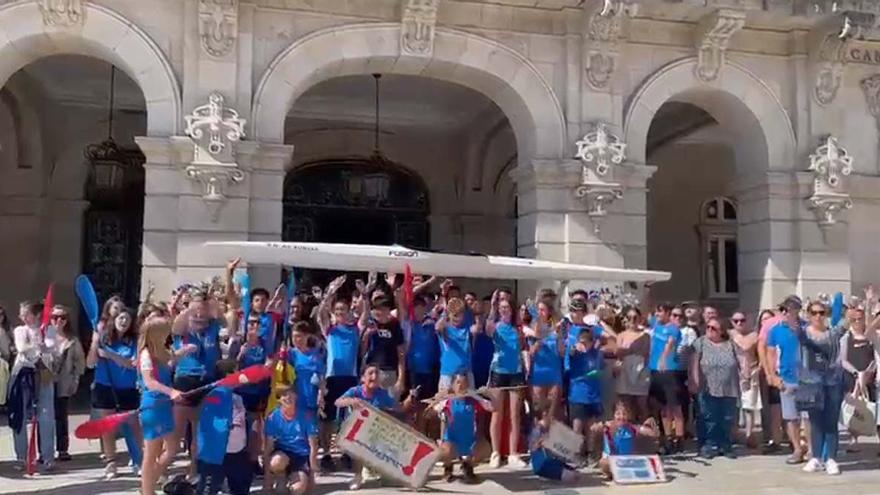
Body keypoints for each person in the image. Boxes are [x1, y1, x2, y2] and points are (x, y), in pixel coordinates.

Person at [335, 364, 416, 489]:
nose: (374, 376)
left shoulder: (382, 393)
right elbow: (338, 402)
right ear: (363, 378)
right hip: (354, 433)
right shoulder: (355, 391)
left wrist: (409, 400)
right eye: (371, 373)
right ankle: (358, 475)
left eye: (377, 373)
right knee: (358, 443)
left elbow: (399, 408)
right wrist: (352, 401)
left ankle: (381, 471)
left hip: (374, 431)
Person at [171, 291, 223, 480]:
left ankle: (194, 472)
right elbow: (177, 323)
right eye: (195, 310)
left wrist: (210, 301)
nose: (199, 314)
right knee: (174, 438)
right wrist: (190, 306)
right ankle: (157, 472)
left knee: (199, 435)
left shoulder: (213, 328)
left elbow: (224, 315)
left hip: (207, 382)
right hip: (185, 382)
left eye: (202, 310)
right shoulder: (182, 329)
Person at [87, 307, 143, 478]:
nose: (124, 321)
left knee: (134, 426)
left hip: (128, 388)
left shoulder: (135, 341)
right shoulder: (104, 339)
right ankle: (111, 462)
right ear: (114, 320)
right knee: (108, 426)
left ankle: (139, 460)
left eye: (127, 318)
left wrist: (110, 355)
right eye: (120, 318)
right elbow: (90, 363)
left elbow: (131, 364)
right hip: (105, 387)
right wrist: (95, 342)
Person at [316, 275, 360, 472]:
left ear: (349, 311)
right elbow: (320, 315)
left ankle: (345, 453)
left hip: (350, 379)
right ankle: (326, 454)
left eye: (344, 309)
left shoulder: (355, 329)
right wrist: (331, 292)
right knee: (328, 419)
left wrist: (364, 296)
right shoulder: (330, 329)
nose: (341, 312)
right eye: (338, 310)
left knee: (349, 417)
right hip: (332, 378)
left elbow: (365, 314)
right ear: (334, 312)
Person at [8, 301, 57, 472]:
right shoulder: (20, 330)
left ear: (36, 314)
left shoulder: (48, 329)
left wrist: (43, 343)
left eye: (25, 313)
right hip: (22, 375)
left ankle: (47, 456)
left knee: (46, 416)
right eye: (21, 313)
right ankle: (22, 456)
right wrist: (38, 346)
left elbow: (51, 347)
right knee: (20, 415)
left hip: (43, 375)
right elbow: (22, 347)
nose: (22, 317)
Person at [799, 301, 845, 475]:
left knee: (831, 421)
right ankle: (816, 457)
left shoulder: (833, 333)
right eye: (814, 312)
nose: (818, 316)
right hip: (811, 382)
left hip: (832, 382)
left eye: (821, 312)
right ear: (809, 314)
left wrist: (868, 303)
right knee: (815, 421)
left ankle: (831, 459)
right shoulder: (803, 334)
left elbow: (849, 321)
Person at [138, 317, 182, 495]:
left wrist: (182, 354)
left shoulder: (163, 351)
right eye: (165, 330)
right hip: (153, 406)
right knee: (151, 452)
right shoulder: (146, 354)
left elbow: (168, 365)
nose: (168, 333)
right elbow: (149, 381)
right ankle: (147, 490)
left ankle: (148, 483)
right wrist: (171, 392)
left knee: (173, 447)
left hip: (165, 406)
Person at [483, 291, 526, 468]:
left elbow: (532, 337)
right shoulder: (495, 325)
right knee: (497, 413)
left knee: (515, 414)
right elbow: (487, 328)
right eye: (501, 308)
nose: (504, 310)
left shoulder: (518, 328)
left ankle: (513, 454)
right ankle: (495, 453)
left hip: (515, 372)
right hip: (498, 372)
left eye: (507, 307)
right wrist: (493, 306)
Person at [766, 295, 809, 464]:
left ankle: (812, 451)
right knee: (791, 417)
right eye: (784, 309)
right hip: (787, 378)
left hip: (806, 379)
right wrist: (773, 376)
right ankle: (797, 449)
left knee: (808, 417)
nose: (786, 313)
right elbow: (771, 354)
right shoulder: (776, 330)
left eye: (790, 309)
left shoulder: (806, 328)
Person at [690, 318, 740, 459]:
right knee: (708, 417)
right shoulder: (700, 343)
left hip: (728, 387)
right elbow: (694, 362)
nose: (710, 330)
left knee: (727, 418)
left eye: (714, 328)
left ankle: (725, 445)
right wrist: (695, 380)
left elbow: (740, 360)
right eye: (708, 327)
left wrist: (746, 375)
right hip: (708, 386)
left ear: (722, 331)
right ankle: (708, 445)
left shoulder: (730, 345)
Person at [196, 374, 252, 495]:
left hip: (235, 450)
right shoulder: (213, 396)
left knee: (240, 485)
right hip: (216, 451)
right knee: (209, 486)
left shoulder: (237, 397)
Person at [433, 373, 494, 483]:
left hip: (470, 442)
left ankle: (468, 465)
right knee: (444, 452)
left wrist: (489, 395)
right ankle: (448, 468)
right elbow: (429, 413)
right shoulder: (447, 401)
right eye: (458, 383)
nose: (461, 386)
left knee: (486, 450)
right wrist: (437, 399)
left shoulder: (474, 401)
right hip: (452, 442)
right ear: (453, 386)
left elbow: (493, 407)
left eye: (464, 383)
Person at [264, 386, 319, 495]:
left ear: (296, 397)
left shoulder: (306, 416)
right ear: (279, 399)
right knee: (276, 462)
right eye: (284, 395)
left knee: (297, 490)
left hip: (301, 455)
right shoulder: (273, 417)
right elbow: (268, 447)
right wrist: (267, 479)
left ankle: (296, 478)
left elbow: (313, 446)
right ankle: (281, 477)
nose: (288, 398)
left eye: (291, 394)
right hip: (283, 453)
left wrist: (312, 475)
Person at [287, 320, 325, 475]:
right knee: (296, 434)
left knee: (312, 435)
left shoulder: (315, 355)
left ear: (307, 336)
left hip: (311, 397)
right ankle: (298, 464)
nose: (297, 340)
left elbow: (321, 378)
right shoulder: (290, 354)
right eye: (294, 336)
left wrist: (322, 395)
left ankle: (313, 464)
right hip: (295, 398)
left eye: (300, 337)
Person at [648, 302, 684, 454]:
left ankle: (679, 440)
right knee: (663, 408)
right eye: (657, 311)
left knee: (675, 407)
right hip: (655, 371)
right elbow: (646, 311)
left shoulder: (673, 329)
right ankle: (668, 438)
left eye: (660, 311)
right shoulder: (656, 324)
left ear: (668, 312)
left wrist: (663, 358)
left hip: (669, 370)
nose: (657, 314)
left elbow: (670, 344)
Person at [51, 305, 85, 462]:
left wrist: (76, 379)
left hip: (64, 381)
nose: (59, 321)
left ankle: (62, 448)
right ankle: (45, 450)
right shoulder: (46, 336)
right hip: (46, 381)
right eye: (55, 317)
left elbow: (79, 362)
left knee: (61, 416)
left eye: (63, 317)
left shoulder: (72, 339)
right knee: (45, 416)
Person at [592, 401, 659, 480]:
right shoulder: (607, 426)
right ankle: (612, 473)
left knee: (648, 461)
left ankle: (623, 473)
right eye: (618, 414)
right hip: (613, 461)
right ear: (613, 415)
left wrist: (652, 429)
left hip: (628, 461)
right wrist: (598, 427)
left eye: (624, 414)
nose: (621, 417)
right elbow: (593, 429)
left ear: (628, 415)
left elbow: (649, 432)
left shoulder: (632, 427)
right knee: (603, 462)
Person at [359, 289, 405, 397]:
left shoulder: (394, 325)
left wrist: (401, 378)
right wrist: (366, 336)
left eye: (383, 309)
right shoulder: (370, 324)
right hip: (371, 371)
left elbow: (401, 354)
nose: (379, 312)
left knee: (389, 408)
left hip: (390, 372)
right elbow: (362, 352)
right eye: (376, 309)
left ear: (388, 310)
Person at [567, 325, 604, 461]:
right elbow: (570, 352)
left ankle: (590, 453)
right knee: (577, 426)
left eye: (586, 341)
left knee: (591, 427)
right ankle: (575, 454)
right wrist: (575, 348)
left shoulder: (597, 354)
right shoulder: (576, 353)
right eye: (581, 341)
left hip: (593, 395)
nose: (583, 344)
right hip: (578, 394)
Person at [526, 298, 564, 421]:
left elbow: (562, 352)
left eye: (542, 310)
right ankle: (537, 439)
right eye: (538, 310)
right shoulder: (532, 329)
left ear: (548, 312)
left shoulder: (556, 328)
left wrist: (560, 337)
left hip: (554, 373)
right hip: (538, 373)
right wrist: (536, 346)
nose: (540, 312)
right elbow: (530, 353)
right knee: (538, 413)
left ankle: (552, 439)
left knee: (552, 414)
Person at [614, 306, 651, 421]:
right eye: (629, 317)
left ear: (640, 318)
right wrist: (632, 349)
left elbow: (645, 351)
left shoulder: (646, 335)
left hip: (641, 369)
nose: (632, 320)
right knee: (625, 403)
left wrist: (627, 350)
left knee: (642, 403)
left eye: (635, 317)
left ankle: (646, 430)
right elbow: (618, 352)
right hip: (625, 369)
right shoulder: (621, 335)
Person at [730, 310, 761, 448]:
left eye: (742, 320)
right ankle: (734, 433)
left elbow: (761, 355)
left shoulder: (754, 336)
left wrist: (757, 371)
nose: (739, 323)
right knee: (733, 405)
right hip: (733, 374)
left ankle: (750, 434)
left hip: (750, 372)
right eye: (736, 321)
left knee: (749, 406)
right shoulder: (728, 335)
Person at [436, 297, 478, 391]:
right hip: (448, 374)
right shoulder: (445, 329)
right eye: (454, 315)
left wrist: (476, 316)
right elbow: (438, 327)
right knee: (445, 404)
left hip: (466, 373)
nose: (457, 318)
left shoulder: (467, 328)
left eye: (459, 315)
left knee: (468, 403)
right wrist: (445, 312)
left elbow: (476, 328)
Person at [529, 409, 582, 483]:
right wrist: (541, 442)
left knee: (577, 474)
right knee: (572, 477)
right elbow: (533, 448)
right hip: (542, 464)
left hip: (552, 461)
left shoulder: (551, 430)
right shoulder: (537, 430)